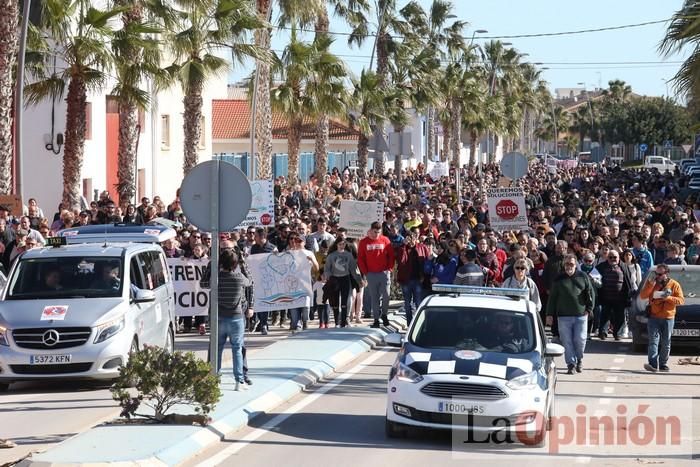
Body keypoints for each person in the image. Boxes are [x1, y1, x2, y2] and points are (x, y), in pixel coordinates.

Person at [200, 248, 252, 391]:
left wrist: (212, 266)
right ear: (235, 264)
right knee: (237, 348)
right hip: (236, 318)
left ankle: (214, 379)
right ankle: (239, 381)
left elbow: (203, 283)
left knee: (217, 349)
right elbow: (250, 281)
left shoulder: (216, 278)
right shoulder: (239, 278)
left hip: (219, 317)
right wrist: (243, 263)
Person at [546, 254, 594, 375]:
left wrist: (589, 308)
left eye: (571, 264)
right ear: (563, 265)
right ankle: (571, 364)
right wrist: (549, 314)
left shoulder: (583, 277)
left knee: (580, 339)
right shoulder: (558, 279)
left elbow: (590, 293)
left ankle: (579, 359)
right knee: (567, 341)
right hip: (563, 316)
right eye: (567, 264)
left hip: (581, 315)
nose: (569, 266)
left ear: (576, 265)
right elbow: (552, 298)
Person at [639, 263, 685, 373]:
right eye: (656, 273)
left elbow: (681, 301)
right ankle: (653, 364)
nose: (658, 276)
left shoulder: (674, 284)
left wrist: (668, 298)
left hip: (668, 318)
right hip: (654, 317)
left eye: (660, 274)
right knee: (653, 342)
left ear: (666, 273)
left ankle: (663, 364)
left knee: (666, 342)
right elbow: (643, 296)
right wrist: (650, 284)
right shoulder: (653, 283)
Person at [358, 221, 395, 328]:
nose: (376, 234)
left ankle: (384, 314)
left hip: (384, 273)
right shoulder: (363, 242)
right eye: (375, 232)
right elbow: (361, 259)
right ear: (370, 230)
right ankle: (376, 319)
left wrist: (389, 269)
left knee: (387, 296)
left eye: (378, 232)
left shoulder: (385, 240)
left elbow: (391, 256)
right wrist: (366, 272)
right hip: (371, 274)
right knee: (374, 297)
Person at [324, 238, 363, 327]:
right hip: (335, 279)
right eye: (340, 244)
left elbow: (353, 269)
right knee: (335, 302)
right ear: (336, 244)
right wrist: (329, 277)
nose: (342, 246)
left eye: (343, 244)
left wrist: (359, 280)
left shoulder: (349, 255)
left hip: (345, 278)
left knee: (345, 302)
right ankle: (337, 322)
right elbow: (327, 268)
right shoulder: (331, 255)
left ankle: (344, 321)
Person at [596, 249, 634, 340]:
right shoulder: (601, 266)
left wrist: (629, 296)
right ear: (607, 258)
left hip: (620, 297)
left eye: (615, 257)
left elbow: (628, 281)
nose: (613, 259)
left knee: (619, 317)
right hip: (605, 297)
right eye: (610, 257)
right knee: (605, 316)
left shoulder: (624, 266)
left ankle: (617, 333)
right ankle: (603, 332)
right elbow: (593, 276)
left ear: (619, 258)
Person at [395, 231, 430, 324]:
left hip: (418, 279)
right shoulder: (402, 248)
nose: (411, 241)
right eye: (409, 238)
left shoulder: (422, 247)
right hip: (405, 279)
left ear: (416, 238)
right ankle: (409, 323)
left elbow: (427, 261)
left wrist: (424, 276)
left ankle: (419, 322)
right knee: (407, 303)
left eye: (412, 238)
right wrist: (403, 246)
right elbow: (401, 261)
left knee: (418, 302)